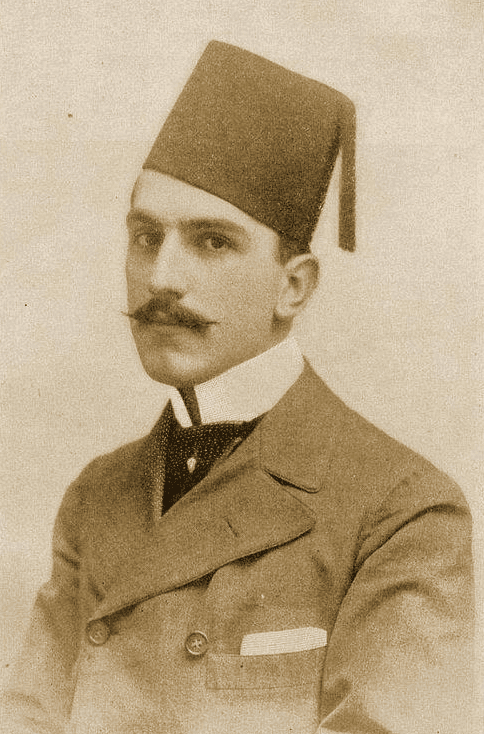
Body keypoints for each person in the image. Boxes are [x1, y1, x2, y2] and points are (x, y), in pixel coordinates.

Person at [1, 41, 474, 734]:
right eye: (146, 237)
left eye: (211, 242)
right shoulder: (95, 498)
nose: (161, 277)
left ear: (294, 286)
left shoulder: (402, 513)